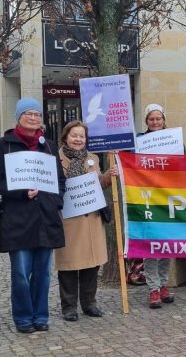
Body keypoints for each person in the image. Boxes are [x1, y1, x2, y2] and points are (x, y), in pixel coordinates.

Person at [0, 97, 66, 334]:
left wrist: (56, 200)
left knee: (43, 273)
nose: (33, 118)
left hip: (46, 217)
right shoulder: (3, 144)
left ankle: (41, 315)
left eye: (37, 114)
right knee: (22, 273)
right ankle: (23, 317)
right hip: (18, 218)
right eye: (28, 114)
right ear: (18, 117)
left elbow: (59, 180)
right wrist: (22, 193)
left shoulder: (50, 145)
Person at [54, 121, 115, 321]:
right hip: (69, 219)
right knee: (69, 265)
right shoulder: (55, 159)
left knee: (92, 264)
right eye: (74, 135)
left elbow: (98, 185)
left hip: (92, 219)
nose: (78, 139)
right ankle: (69, 307)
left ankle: (89, 303)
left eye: (82, 136)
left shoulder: (93, 159)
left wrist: (109, 175)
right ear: (65, 137)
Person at [136, 103, 176, 309]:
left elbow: (181, 166)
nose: (155, 121)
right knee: (151, 245)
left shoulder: (173, 140)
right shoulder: (139, 141)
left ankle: (163, 285)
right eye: (151, 118)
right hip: (147, 197)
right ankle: (152, 288)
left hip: (168, 197)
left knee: (167, 244)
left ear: (164, 119)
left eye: (158, 118)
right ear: (146, 121)